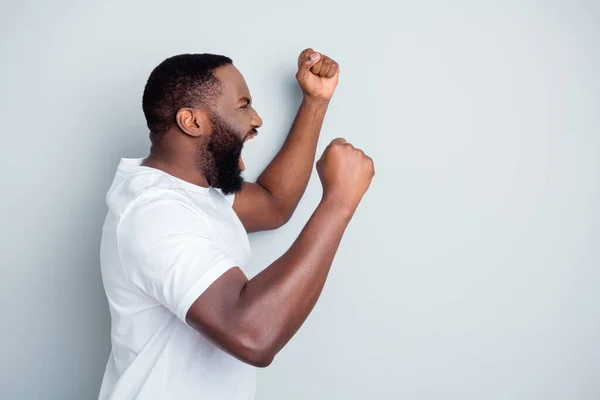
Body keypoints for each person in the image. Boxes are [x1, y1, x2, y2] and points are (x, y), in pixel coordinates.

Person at [98, 48, 375, 400]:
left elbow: (274, 202)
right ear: (192, 122)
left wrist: (315, 102)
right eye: (243, 106)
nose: (256, 118)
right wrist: (339, 203)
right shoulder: (154, 214)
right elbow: (253, 336)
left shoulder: (192, 193)